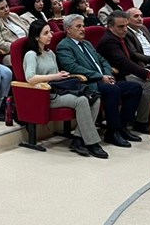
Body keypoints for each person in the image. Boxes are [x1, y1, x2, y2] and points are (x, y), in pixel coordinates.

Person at [21, 21, 107, 158]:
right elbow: (30, 78)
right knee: (82, 100)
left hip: (58, 89)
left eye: (50, 32)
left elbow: (56, 75)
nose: (51, 35)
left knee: (95, 98)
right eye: (46, 33)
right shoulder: (31, 55)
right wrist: (55, 76)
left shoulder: (50, 53)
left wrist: (61, 75)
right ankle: (92, 143)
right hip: (45, 94)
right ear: (36, 37)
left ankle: (78, 139)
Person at [56, 14, 143, 148]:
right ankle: (112, 132)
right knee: (113, 90)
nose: (83, 29)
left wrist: (107, 74)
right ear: (68, 29)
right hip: (87, 83)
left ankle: (122, 127)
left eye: (83, 26)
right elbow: (72, 67)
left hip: (103, 79)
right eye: (78, 26)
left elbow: (102, 60)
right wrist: (100, 77)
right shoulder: (64, 46)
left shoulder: (87, 43)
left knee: (135, 88)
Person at [96, 10, 150, 133]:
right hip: (118, 75)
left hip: (129, 71)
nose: (125, 29)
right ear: (110, 27)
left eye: (126, 25)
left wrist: (145, 69)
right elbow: (124, 62)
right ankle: (141, 122)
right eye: (121, 27)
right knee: (149, 85)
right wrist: (147, 74)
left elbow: (133, 56)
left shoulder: (121, 36)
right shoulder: (109, 41)